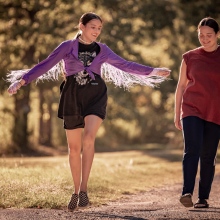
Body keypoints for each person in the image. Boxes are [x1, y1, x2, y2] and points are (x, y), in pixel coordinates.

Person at [7, 12, 170, 211]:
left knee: (88, 139)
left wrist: (153, 71)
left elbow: (125, 65)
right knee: (74, 149)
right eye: (93, 27)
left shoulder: (103, 49)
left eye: (99, 28)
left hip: (95, 96)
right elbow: (45, 64)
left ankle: (84, 188)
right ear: (81, 26)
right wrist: (22, 81)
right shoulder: (67, 46)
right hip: (72, 97)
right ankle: (76, 191)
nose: (96, 31)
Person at [174, 17, 220, 209]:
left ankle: (203, 197)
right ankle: (186, 192)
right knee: (191, 150)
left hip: (216, 111)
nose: (204, 38)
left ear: (217, 35)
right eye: (201, 35)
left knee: (208, 155)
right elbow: (181, 87)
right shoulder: (189, 57)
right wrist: (177, 114)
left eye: (209, 35)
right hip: (192, 108)